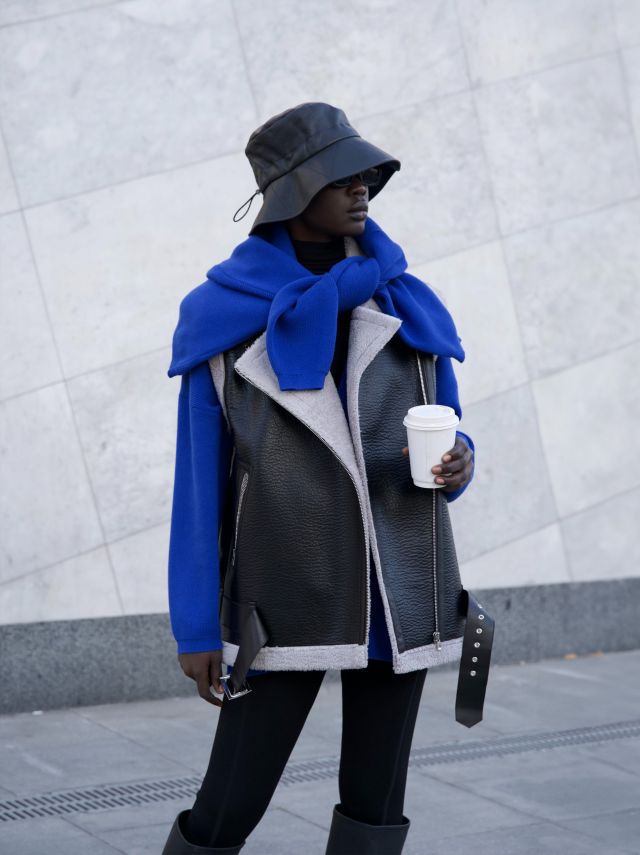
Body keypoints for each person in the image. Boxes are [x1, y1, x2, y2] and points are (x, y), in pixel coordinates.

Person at [161, 102, 492, 855]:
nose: (360, 188)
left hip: (400, 588)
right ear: (292, 191)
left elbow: (448, 422)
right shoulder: (220, 316)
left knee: (377, 803)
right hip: (282, 597)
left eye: (366, 174)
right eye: (341, 176)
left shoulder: (405, 301)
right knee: (228, 804)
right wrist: (195, 625)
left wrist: (461, 459)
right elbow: (199, 486)